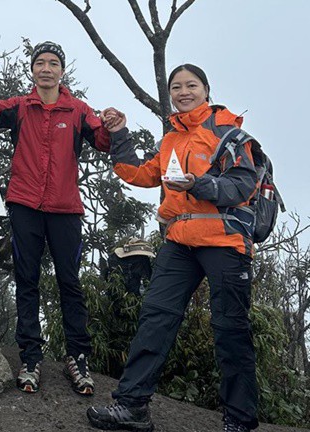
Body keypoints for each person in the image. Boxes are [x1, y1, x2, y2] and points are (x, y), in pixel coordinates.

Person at [87, 64, 259, 432]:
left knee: (230, 328)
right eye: (176, 87)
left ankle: (240, 420)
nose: (183, 92)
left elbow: (243, 185)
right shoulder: (171, 140)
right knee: (155, 318)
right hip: (180, 241)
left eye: (191, 85)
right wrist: (119, 133)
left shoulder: (228, 132)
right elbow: (140, 174)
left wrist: (200, 184)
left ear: (206, 89)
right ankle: (132, 407)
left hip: (223, 240)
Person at [0, 41, 114, 396]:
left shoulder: (77, 110)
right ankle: (30, 357)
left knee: (69, 284)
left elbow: (101, 140)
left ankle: (78, 357)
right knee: (26, 281)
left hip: (66, 210)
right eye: (40, 63)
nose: (46, 68)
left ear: (62, 71)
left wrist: (110, 125)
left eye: (53, 63)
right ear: (32, 70)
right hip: (25, 205)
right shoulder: (20, 106)